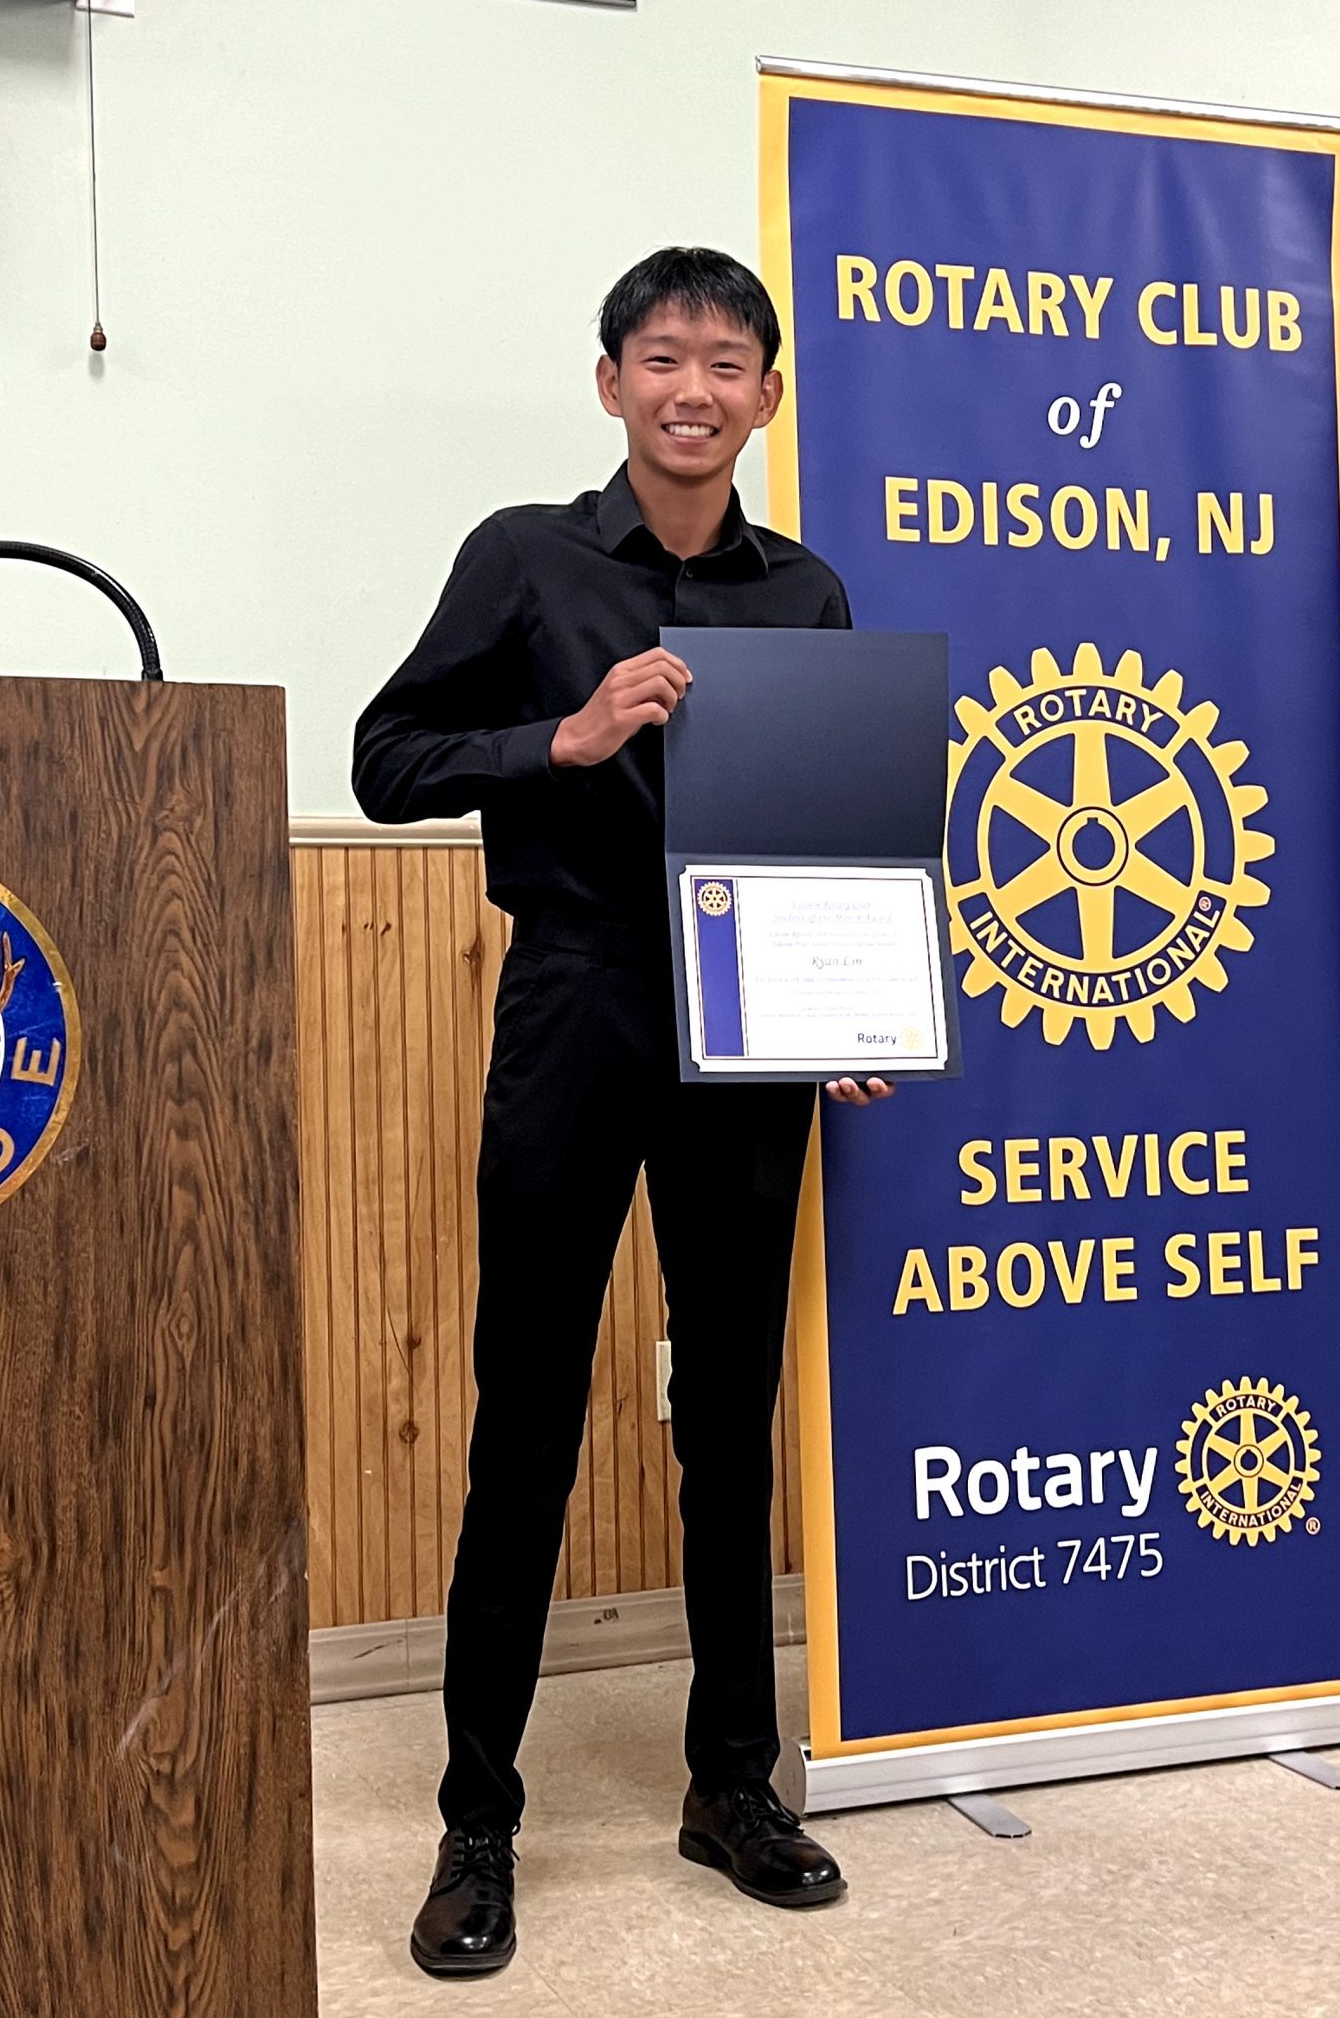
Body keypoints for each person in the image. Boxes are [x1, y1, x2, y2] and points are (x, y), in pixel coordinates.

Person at [353, 248, 893, 1980]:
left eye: (727, 363)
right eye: (662, 358)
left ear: (765, 397)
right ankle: (478, 1821)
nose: (694, 388)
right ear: (611, 385)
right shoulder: (526, 556)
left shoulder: (807, 593)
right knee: (526, 1411)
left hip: (751, 1041)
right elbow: (387, 756)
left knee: (726, 1414)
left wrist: (858, 995)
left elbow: (834, 834)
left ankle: (731, 1782)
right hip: (578, 1001)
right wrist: (558, 740)